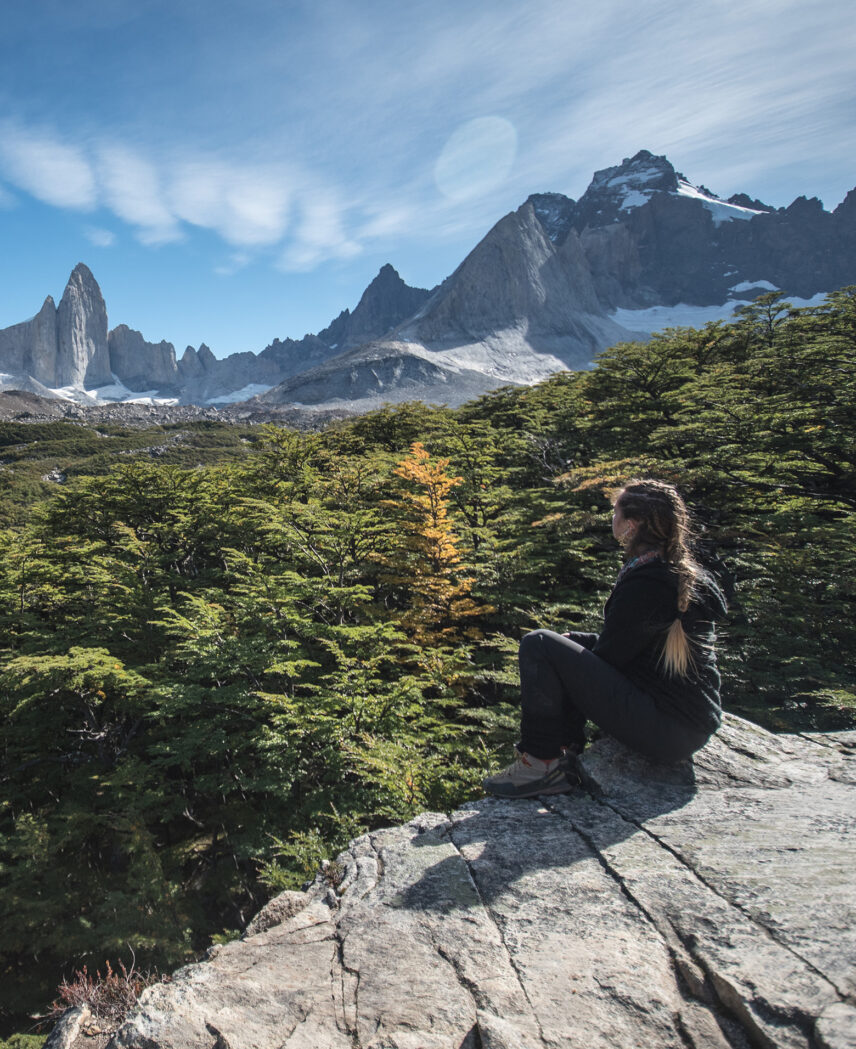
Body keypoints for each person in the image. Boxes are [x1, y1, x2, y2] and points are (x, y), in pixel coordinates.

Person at [483, 479, 727, 798]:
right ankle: (563, 752)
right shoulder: (681, 575)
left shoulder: (646, 584)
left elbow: (610, 660)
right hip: (688, 725)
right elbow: (637, 648)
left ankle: (542, 764)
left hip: (666, 731)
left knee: (538, 644)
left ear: (631, 525)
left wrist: (564, 657)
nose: (612, 518)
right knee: (567, 645)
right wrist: (575, 644)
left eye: (615, 512)